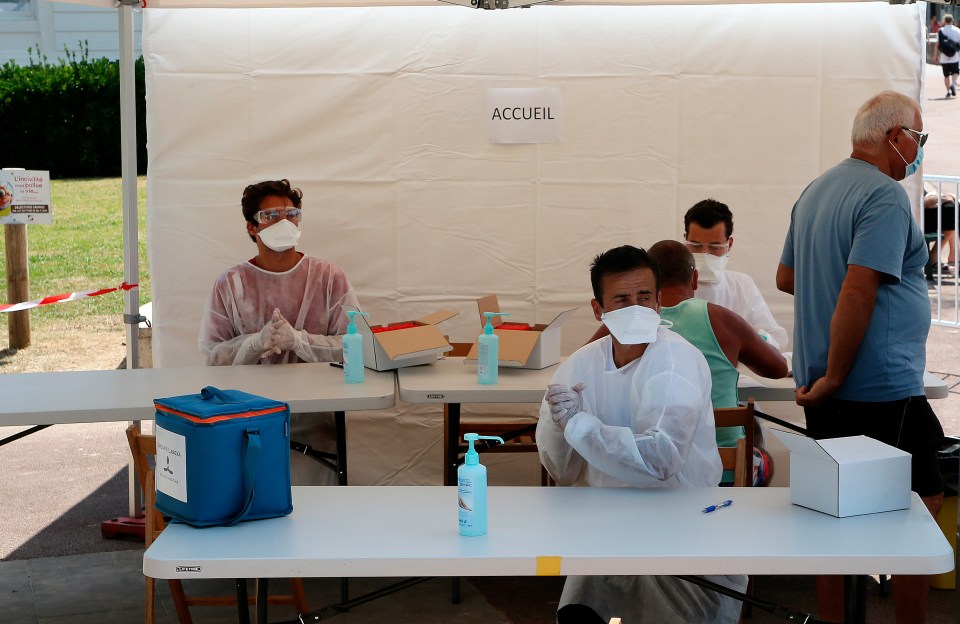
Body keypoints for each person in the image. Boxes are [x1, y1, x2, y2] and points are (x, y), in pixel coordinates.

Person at [776, 91, 944, 624]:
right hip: (877, 386)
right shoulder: (884, 196)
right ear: (895, 137)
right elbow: (858, 290)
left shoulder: (816, 190)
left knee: (836, 514)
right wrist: (838, 373)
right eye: (918, 138)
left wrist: (827, 372)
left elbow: (786, 277)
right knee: (925, 499)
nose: (918, 150)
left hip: (831, 386)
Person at [537, 245, 745, 624]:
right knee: (580, 613)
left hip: (682, 527)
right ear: (598, 310)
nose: (636, 307)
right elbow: (562, 471)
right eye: (621, 299)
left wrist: (578, 425)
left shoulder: (676, 361)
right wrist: (555, 425)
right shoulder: (581, 365)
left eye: (644, 297)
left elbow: (658, 460)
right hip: (607, 527)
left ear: (659, 302)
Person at [200, 179, 360, 485]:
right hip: (248, 415)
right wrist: (254, 343)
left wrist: (299, 341)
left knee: (316, 506)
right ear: (252, 228)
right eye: (271, 216)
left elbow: (354, 345)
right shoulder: (231, 284)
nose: (284, 222)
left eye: (292, 214)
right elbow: (212, 357)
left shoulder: (328, 277)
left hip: (318, 416)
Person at [648, 240, 787, 483]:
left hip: (652, 467)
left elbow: (583, 364)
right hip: (725, 469)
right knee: (765, 460)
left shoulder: (628, 325)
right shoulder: (723, 320)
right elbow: (778, 368)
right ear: (694, 280)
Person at [683, 199, 789, 353]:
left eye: (714, 247)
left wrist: (749, 332)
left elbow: (776, 342)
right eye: (696, 245)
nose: (704, 254)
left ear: (729, 244)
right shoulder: (670, 283)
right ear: (685, 240)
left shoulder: (741, 285)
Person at [937, 15, 960, 98]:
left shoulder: (940, 31)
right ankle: (953, 84)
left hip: (944, 57)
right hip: (955, 57)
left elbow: (937, 45)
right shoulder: (957, 30)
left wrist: (935, 56)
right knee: (956, 73)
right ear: (952, 20)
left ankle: (948, 91)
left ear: (944, 21)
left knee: (946, 76)